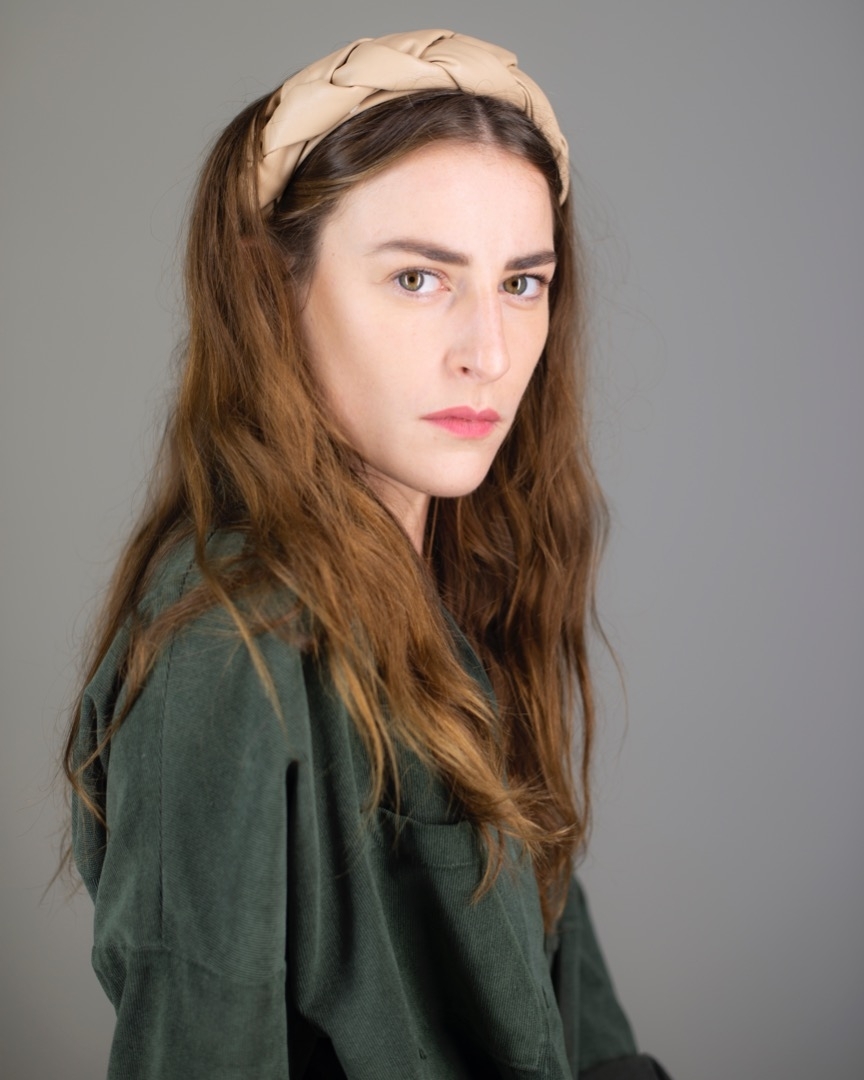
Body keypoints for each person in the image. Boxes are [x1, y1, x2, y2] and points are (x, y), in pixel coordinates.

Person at [63, 29, 673, 1080]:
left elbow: (571, 1024)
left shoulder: (473, 597)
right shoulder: (230, 649)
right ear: (274, 287)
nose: (488, 352)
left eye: (522, 284)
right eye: (418, 279)